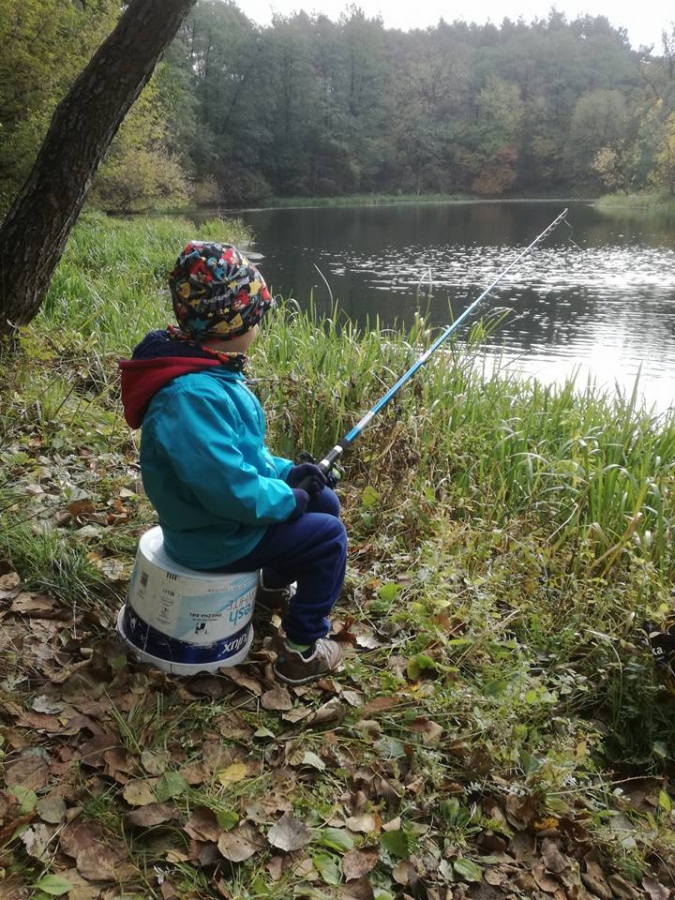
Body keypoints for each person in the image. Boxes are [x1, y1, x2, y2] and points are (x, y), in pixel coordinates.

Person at [119, 241, 347, 685]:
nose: (259, 328)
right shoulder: (191, 397)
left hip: (220, 525)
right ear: (230, 324)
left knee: (327, 503)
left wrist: (288, 475)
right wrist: (286, 499)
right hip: (212, 539)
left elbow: (243, 455)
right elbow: (228, 488)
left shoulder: (208, 373)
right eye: (256, 319)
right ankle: (300, 652)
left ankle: (272, 586)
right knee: (329, 538)